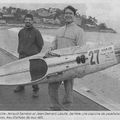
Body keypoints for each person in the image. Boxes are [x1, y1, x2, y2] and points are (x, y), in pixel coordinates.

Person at [48, 5, 85, 110]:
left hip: (70, 64)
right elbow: (53, 45)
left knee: (68, 89)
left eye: (70, 13)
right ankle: (55, 108)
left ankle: (66, 109)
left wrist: (80, 68)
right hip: (57, 64)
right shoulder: (59, 30)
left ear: (74, 16)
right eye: (66, 13)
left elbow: (81, 50)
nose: (68, 15)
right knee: (52, 86)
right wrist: (49, 50)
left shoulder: (79, 31)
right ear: (64, 15)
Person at [14, 14, 44, 97]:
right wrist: (20, 51)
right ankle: (21, 85)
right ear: (24, 21)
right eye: (26, 19)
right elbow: (20, 42)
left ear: (32, 21)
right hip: (22, 56)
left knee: (33, 73)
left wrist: (35, 54)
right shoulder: (21, 31)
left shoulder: (36, 32)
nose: (28, 21)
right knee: (21, 72)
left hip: (32, 57)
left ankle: (35, 89)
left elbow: (40, 44)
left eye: (29, 20)